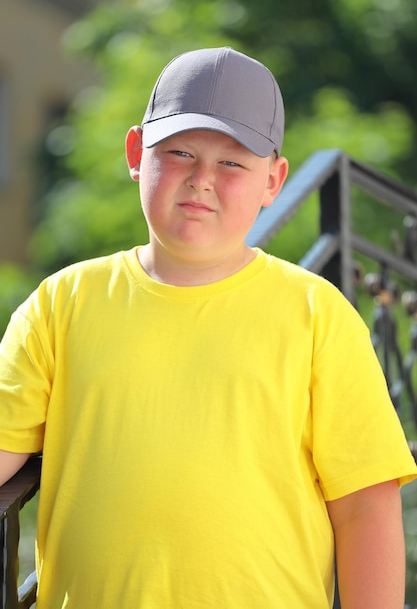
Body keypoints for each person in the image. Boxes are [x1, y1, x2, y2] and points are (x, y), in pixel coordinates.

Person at [0, 46, 416, 609]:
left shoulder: (318, 315)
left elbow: (366, 504)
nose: (202, 179)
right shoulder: (62, 303)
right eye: (180, 152)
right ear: (135, 152)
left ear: (274, 181)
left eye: (232, 163)